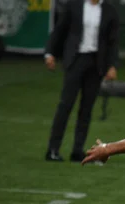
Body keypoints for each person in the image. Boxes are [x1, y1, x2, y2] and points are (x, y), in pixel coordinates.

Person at [44, 0, 119, 162]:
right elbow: (59, 31)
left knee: (86, 109)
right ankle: (53, 149)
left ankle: (77, 150)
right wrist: (50, 53)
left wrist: (112, 65)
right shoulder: (73, 6)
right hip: (75, 60)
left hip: (96, 64)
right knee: (65, 105)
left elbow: (113, 41)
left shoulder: (109, 10)